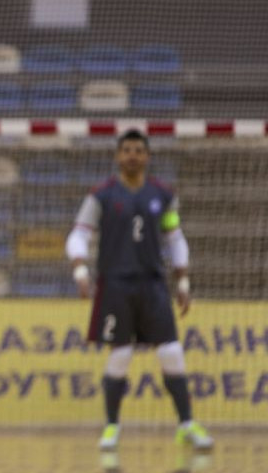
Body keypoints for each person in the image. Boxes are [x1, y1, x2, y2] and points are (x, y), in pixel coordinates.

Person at [66, 129, 213, 451]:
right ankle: (111, 427)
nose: (132, 155)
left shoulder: (163, 194)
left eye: (138, 150)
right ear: (117, 156)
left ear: (147, 156)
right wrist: (80, 270)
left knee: (171, 352)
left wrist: (183, 281)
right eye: (127, 150)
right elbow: (78, 235)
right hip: (115, 284)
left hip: (153, 283)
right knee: (120, 354)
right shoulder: (101, 195)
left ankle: (186, 424)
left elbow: (175, 238)